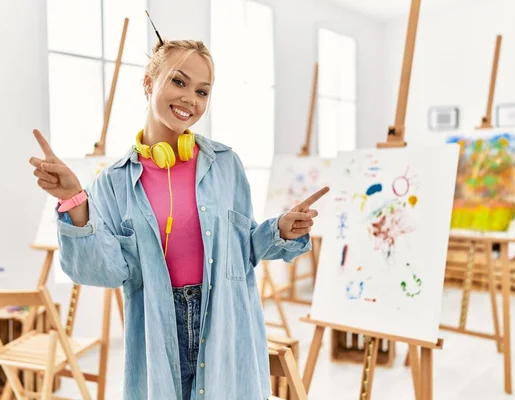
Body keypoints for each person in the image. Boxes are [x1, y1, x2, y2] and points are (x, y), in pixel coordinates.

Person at [29, 38, 329, 400]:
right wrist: (73, 200)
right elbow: (103, 271)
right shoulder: (113, 182)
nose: (190, 98)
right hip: (157, 327)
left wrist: (278, 230)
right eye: (179, 81)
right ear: (148, 83)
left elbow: (245, 248)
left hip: (224, 320)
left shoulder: (226, 165)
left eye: (202, 91)